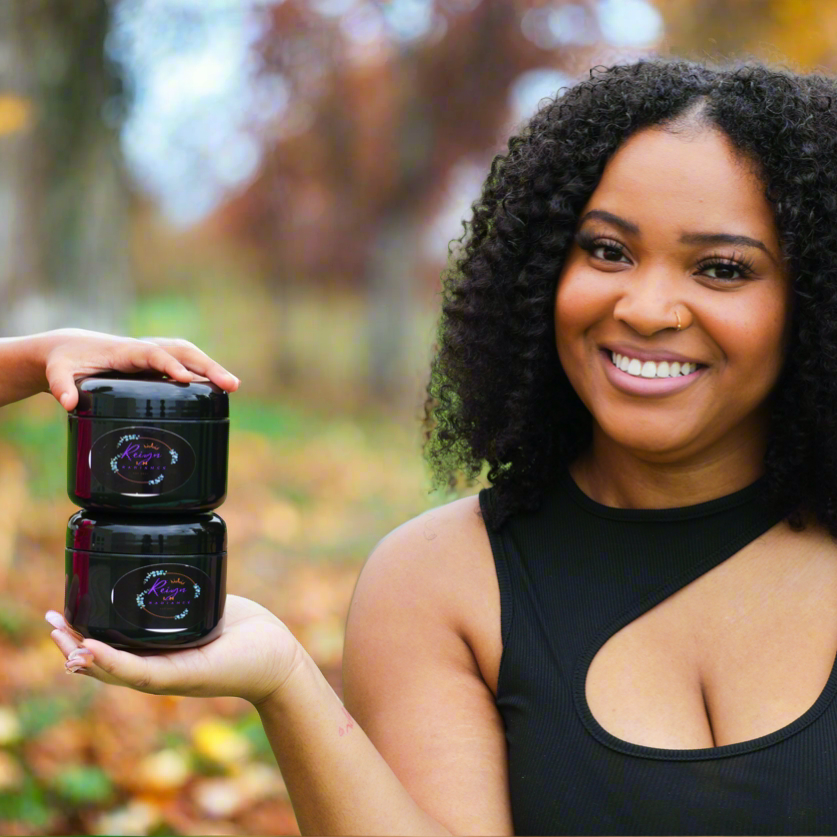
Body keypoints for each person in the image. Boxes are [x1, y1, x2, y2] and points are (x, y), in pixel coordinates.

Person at [40, 57, 837, 834]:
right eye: (606, 250)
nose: (646, 307)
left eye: (721, 268)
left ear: (813, 296)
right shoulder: (439, 581)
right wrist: (285, 682)